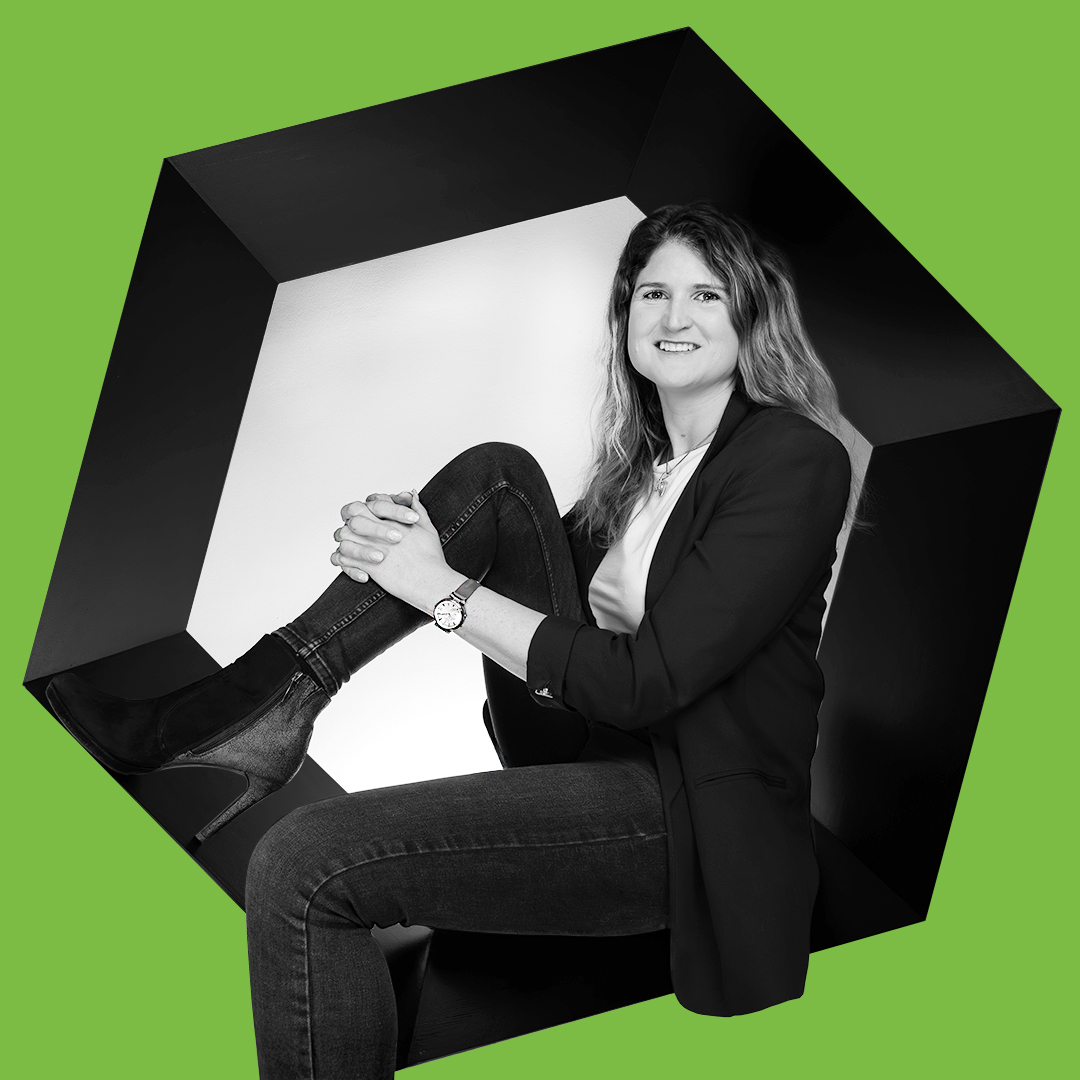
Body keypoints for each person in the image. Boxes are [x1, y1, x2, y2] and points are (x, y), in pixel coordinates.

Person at [47, 203, 853, 1079]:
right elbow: (536, 622)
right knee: (497, 479)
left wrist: (437, 587)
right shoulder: (637, 477)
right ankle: (260, 706)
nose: (674, 316)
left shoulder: (791, 459)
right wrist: (408, 547)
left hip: (685, 812)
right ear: (625, 315)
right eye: (653, 292)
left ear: (751, 314)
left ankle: (241, 716)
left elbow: (644, 682)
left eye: (706, 294)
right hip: (576, 745)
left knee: (304, 864)